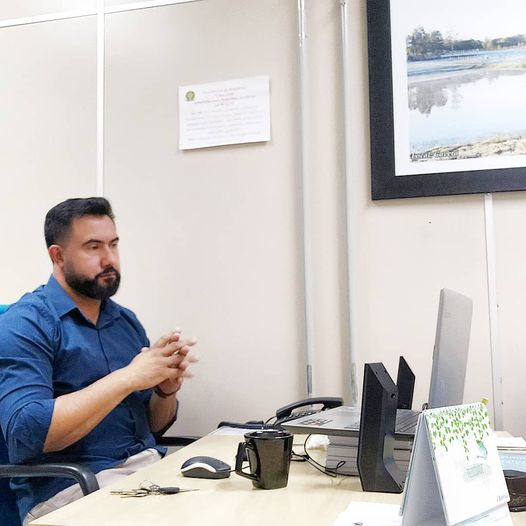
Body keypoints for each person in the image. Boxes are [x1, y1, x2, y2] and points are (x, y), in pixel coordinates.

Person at [0, 197, 197, 524]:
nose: (109, 259)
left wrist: (165, 390)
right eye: (94, 247)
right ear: (58, 256)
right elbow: (26, 433)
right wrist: (128, 378)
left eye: (113, 245)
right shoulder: (25, 324)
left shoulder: (125, 321)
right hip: (70, 489)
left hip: (145, 475)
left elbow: (152, 426)